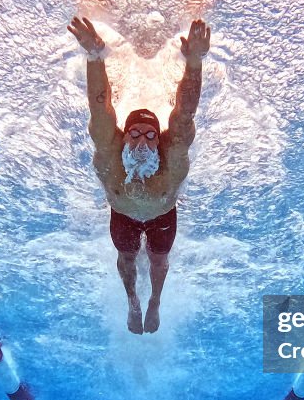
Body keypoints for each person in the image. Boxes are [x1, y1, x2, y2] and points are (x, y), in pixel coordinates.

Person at [67, 17, 210, 333]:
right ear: (122, 136)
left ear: (160, 140)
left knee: (158, 261)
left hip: (163, 215)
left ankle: (154, 301)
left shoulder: (172, 156)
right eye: (134, 133)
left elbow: (184, 114)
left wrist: (195, 63)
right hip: (122, 215)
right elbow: (100, 108)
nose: (141, 141)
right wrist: (94, 56)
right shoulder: (109, 150)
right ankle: (132, 300)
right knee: (127, 257)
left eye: (149, 134)